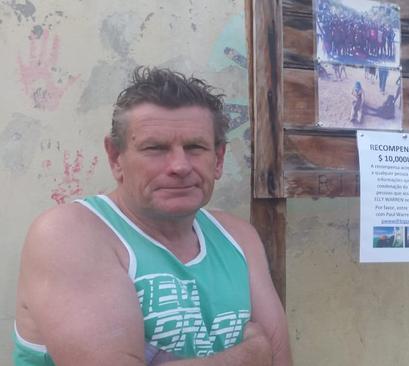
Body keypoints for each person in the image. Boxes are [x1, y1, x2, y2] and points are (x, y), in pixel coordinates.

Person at [13, 67, 292, 365]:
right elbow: (266, 354)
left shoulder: (238, 237)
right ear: (115, 158)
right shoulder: (70, 235)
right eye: (155, 148)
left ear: (219, 159)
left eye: (195, 147)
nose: (180, 166)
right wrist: (250, 355)